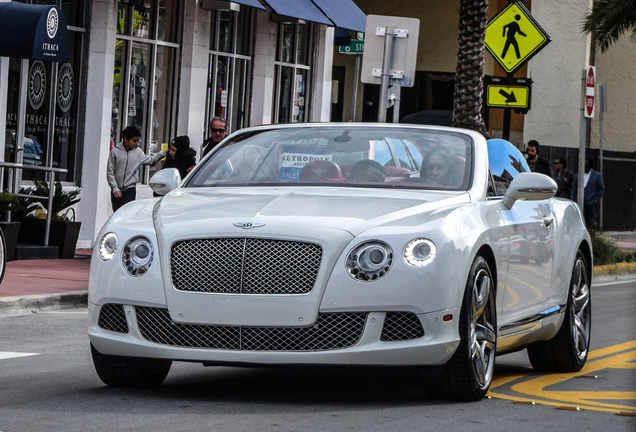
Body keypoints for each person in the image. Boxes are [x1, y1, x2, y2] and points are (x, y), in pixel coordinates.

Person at [107, 126, 168, 212]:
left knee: (128, 212)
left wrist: (164, 153)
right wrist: (115, 188)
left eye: (137, 141)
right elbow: (110, 172)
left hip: (130, 188)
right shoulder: (115, 153)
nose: (136, 143)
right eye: (134, 141)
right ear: (126, 139)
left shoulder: (138, 152)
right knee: (117, 213)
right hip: (116, 189)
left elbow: (151, 159)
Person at [571, 158, 604, 229]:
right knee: (580, 219)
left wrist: (596, 199)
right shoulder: (578, 175)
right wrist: (573, 200)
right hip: (579, 201)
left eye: (586, 165)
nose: (584, 167)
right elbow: (574, 189)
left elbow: (601, 188)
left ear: (590, 165)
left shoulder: (597, 176)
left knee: (591, 220)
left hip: (591, 201)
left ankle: (592, 233)